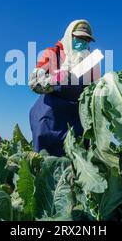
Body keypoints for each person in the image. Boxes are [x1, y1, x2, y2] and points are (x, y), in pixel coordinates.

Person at [28, 19, 101, 156]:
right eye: (79, 38)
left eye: (87, 39)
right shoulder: (53, 53)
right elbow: (34, 82)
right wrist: (58, 78)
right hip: (50, 117)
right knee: (46, 159)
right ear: (69, 36)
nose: (83, 42)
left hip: (76, 120)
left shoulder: (90, 62)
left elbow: (94, 91)